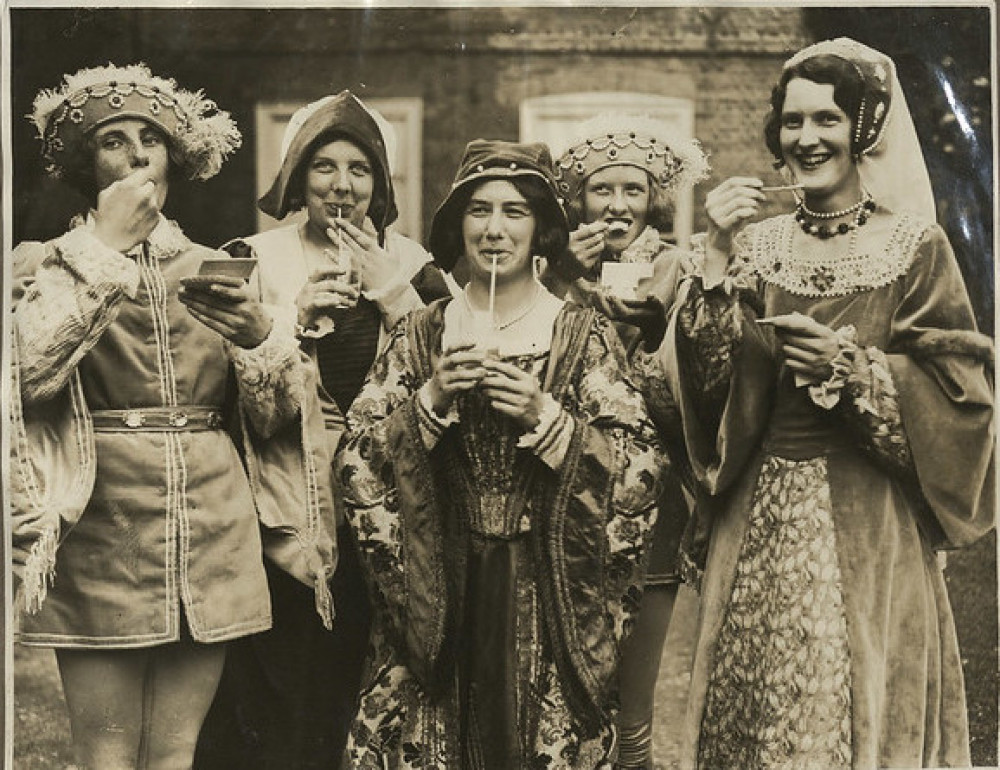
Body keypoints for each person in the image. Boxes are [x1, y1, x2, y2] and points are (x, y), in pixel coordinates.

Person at [660, 38, 994, 768]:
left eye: (827, 121)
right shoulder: (755, 243)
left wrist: (855, 369)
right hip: (754, 518)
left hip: (869, 526)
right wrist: (715, 251)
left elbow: (964, 397)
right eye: (792, 121)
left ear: (865, 130)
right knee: (747, 710)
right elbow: (708, 386)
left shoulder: (913, 245)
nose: (806, 139)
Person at [10, 63, 333, 770]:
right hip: (104, 520)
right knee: (105, 751)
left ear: (173, 156)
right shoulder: (50, 265)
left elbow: (278, 418)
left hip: (214, 519)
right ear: (82, 162)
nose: (135, 155)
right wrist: (104, 255)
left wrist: (257, 334)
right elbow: (25, 377)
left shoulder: (220, 266)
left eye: (150, 139)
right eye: (113, 141)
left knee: (175, 753)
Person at [333, 139, 665, 768]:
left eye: (514, 211)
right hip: (438, 589)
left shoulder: (581, 332)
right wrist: (428, 403)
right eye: (478, 210)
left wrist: (548, 418)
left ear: (541, 229)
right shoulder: (421, 331)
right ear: (457, 226)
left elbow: (638, 468)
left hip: (546, 587)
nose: (494, 229)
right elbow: (356, 462)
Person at [195, 90, 450, 770]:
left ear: (381, 183)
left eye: (359, 169)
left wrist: (390, 288)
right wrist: (289, 322)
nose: (342, 186)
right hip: (281, 503)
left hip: (388, 500)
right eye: (324, 167)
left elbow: (451, 370)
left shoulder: (416, 264)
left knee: (368, 671)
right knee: (281, 678)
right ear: (297, 177)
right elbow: (222, 393)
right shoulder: (252, 256)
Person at [545, 114, 709, 769]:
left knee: (634, 714)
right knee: (567, 697)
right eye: (600, 190)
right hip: (565, 491)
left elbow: (694, 387)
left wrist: (653, 331)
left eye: (632, 191)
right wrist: (563, 281)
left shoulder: (678, 268)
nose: (616, 206)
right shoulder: (550, 264)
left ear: (654, 200)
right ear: (578, 200)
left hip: (649, 496)